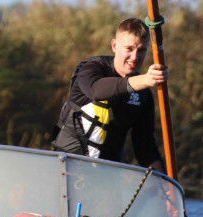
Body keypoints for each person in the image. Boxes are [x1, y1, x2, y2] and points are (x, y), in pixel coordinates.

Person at [52, 17, 168, 171]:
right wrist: (145, 79)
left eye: (141, 50)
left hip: (107, 175)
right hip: (66, 169)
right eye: (129, 49)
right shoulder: (91, 69)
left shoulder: (143, 94)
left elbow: (145, 148)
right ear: (114, 45)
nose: (135, 57)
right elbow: (95, 90)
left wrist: (164, 180)